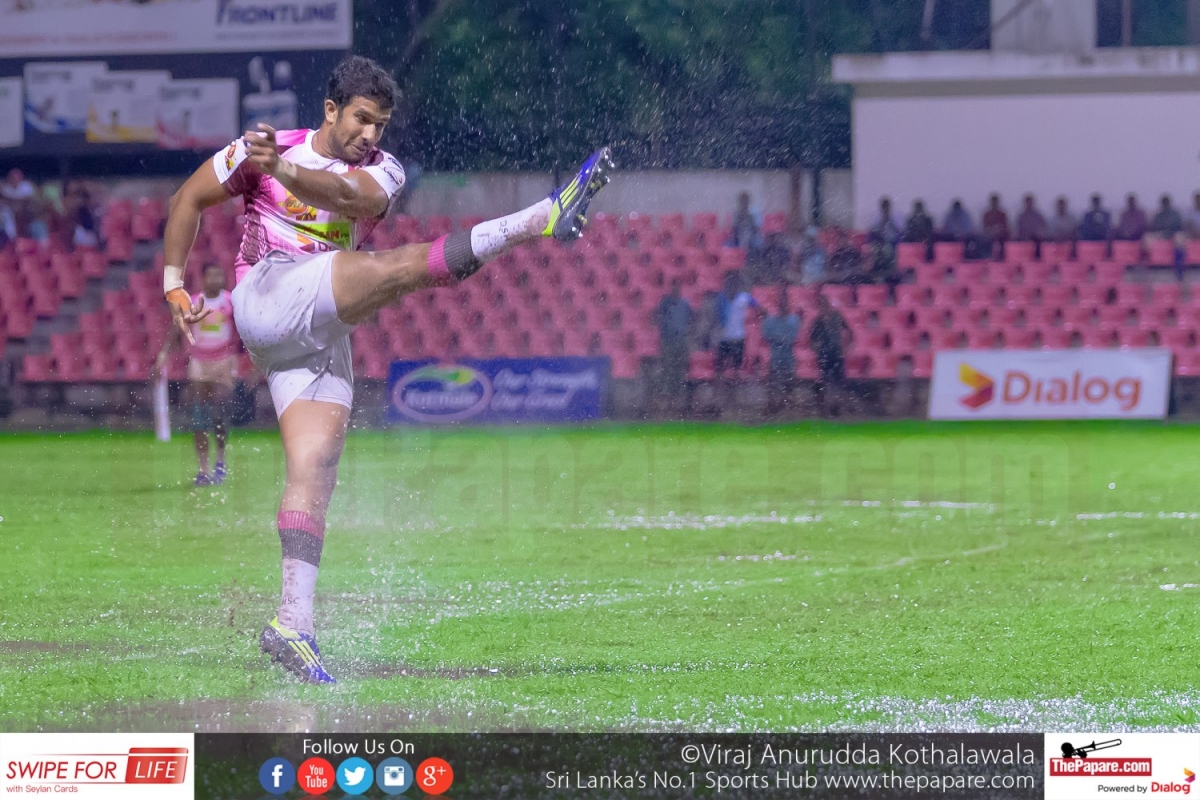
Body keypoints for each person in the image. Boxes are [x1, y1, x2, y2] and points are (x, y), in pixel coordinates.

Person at [160, 55, 612, 684]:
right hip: (267, 293)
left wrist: (281, 169)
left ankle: (293, 623)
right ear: (331, 110)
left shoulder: (382, 170)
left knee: (315, 468)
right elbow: (187, 198)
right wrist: (173, 282)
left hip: (316, 327)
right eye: (361, 119)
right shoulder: (265, 148)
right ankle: (538, 220)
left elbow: (351, 197)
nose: (370, 134)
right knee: (396, 270)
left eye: (380, 124)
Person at [154, 263, 239, 487]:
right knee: (199, 416)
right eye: (211, 275)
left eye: (219, 275)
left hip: (224, 360)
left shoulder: (231, 301)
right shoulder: (192, 302)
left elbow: (243, 330)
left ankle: (220, 460)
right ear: (203, 278)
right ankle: (203, 469)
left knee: (220, 411)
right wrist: (164, 354)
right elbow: (177, 329)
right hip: (200, 361)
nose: (215, 279)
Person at [810, 292, 852, 418]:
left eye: (825, 304)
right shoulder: (818, 320)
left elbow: (849, 330)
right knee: (825, 381)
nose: (824, 306)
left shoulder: (836, 316)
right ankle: (826, 409)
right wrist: (816, 349)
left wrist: (849, 345)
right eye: (821, 305)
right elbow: (812, 338)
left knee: (838, 381)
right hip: (824, 354)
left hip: (836, 352)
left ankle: (836, 407)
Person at [760, 284, 800, 414]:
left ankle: (787, 403)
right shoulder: (771, 320)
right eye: (781, 305)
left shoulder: (794, 320)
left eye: (785, 304)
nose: (783, 307)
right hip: (776, 355)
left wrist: (778, 338)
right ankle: (771, 403)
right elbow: (766, 335)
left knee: (789, 381)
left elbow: (793, 338)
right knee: (772, 380)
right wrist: (782, 338)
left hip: (787, 356)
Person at [714, 271, 761, 377]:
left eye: (733, 283)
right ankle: (720, 386)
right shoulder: (721, 298)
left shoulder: (744, 297)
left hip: (738, 338)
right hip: (724, 337)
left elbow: (759, 308)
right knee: (720, 367)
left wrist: (759, 315)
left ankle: (734, 386)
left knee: (736, 368)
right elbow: (716, 316)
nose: (731, 285)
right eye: (728, 283)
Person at [654, 278, 691, 400]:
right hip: (668, 342)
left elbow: (689, 321)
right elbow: (661, 320)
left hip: (681, 341)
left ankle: (679, 395)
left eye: (678, 287)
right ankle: (668, 396)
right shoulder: (665, 303)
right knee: (668, 369)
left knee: (680, 369)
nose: (676, 289)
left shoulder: (685, 304)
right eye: (674, 287)